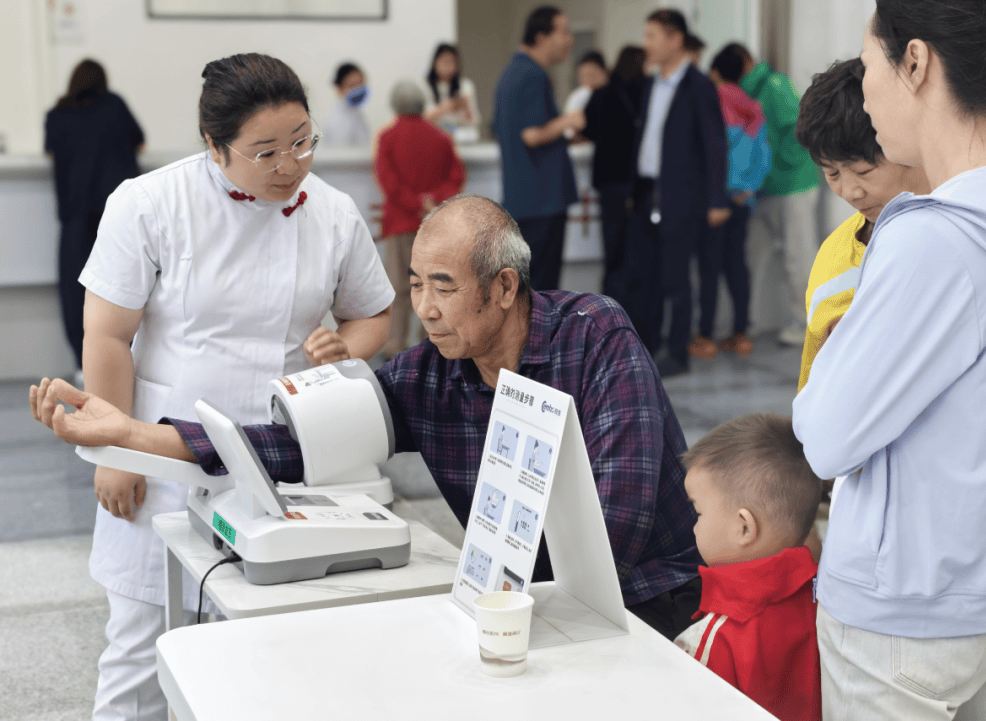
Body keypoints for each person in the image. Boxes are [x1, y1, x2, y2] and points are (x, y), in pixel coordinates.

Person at [33, 195, 704, 641]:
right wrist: (130, 432)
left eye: (445, 285)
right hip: (514, 604)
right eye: (416, 283)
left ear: (503, 287)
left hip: (643, 600)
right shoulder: (433, 371)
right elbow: (288, 444)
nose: (427, 306)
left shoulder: (594, 334)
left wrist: (492, 599)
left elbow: (616, 526)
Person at [794, 0, 986, 720]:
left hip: (902, 619)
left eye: (868, 67)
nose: (867, 92)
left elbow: (824, 434)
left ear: (914, 62)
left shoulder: (931, 239)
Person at [76, 52, 394, 721]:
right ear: (214, 147)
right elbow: (107, 335)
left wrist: (341, 351)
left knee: (266, 656)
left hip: (279, 462)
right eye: (266, 151)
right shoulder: (151, 204)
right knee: (141, 652)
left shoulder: (331, 213)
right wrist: (114, 451)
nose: (290, 165)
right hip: (161, 457)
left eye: (302, 141)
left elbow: (374, 314)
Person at [792, 57, 929, 390]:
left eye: (865, 171)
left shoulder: (956, 235)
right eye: (832, 174)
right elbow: (813, 385)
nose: (850, 191)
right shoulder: (834, 257)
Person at [676, 414, 822, 721]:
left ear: (744, 528)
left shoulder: (714, 637)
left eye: (697, 511)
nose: (693, 525)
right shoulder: (822, 604)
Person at [627, 9, 729, 377]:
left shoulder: (698, 86)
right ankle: (649, 344)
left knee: (676, 277)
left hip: (684, 195)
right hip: (649, 191)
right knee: (648, 273)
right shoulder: (654, 83)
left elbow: (714, 146)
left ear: (674, 39)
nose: (646, 44)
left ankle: (678, 352)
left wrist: (717, 199)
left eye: (652, 35)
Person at [714, 42, 821, 347]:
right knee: (750, 258)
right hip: (761, 191)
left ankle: (805, 324)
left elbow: (799, 129)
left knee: (797, 257)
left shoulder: (774, 84)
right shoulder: (745, 92)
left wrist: (774, 164)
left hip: (792, 185)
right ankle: (747, 323)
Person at [45, 59, 144, 371]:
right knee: (126, 287)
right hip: (116, 215)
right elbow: (139, 142)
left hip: (75, 215)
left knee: (76, 293)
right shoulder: (114, 106)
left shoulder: (57, 115)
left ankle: (83, 365)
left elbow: (50, 153)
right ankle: (125, 362)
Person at [492, 6, 583, 292]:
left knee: (526, 288)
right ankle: (539, 340)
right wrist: (568, 120)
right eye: (564, 32)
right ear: (542, 36)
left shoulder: (512, 72)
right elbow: (531, 135)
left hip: (525, 199)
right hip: (542, 199)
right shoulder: (532, 75)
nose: (570, 39)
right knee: (541, 291)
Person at [375, 79, 466, 356]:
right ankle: (433, 342)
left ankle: (395, 345)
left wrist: (414, 202)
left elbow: (388, 181)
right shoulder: (441, 137)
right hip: (435, 222)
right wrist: (431, 200)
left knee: (400, 287)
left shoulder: (388, 137)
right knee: (436, 286)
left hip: (401, 222)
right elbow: (457, 176)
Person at [690, 55, 772, 359]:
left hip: (716, 198)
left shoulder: (712, 101)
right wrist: (748, 187)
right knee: (737, 266)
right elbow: (763, 154)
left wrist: (717, 191)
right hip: (743, 198)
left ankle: (706, 336)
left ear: (714, 72)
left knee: (709, 267)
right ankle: (741, 334)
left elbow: (712, 152)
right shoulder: (753, 106)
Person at [582, 46, 647, 305]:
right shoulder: (647, 94)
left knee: (613, 251)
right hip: (637, 183)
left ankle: (610, 314)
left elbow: (586, 130)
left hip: (608, 182)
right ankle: (638, 316)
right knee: (639, 251)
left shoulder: (601, 94)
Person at [422, 43, 480, 134]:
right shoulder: (424, 86)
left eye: (451, 61)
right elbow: (421, 118)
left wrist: (467, 107)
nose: (447, 66)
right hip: (432, 134)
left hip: (459, 135)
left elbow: (474, 122)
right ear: (435, 62)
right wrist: (443, 108)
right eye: (444, 61)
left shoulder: (465, 86)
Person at [323, 62, 372, 148]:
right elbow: (341, 156)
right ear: (339, 88)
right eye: (352, 86)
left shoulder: (356, 113)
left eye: (361, 84)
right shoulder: (336, 120)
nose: (358, 90)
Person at [563, 49, 608, 119]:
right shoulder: (579, 97)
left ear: (604, 72)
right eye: (583, 76)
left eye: (592, 75)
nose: (588, 81)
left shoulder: (617, 94)